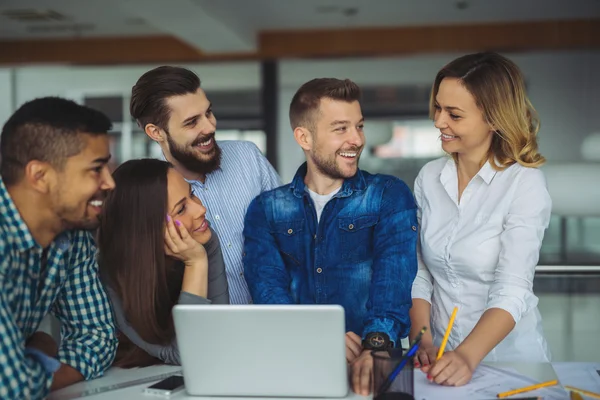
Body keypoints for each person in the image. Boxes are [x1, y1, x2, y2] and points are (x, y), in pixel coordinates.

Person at [243, 78, 418, 396]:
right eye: (341, 129)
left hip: (374, 369)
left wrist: (375, 345)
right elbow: (268, 291)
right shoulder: (265, 210)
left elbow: (392, 283)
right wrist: (318, 337)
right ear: (304, 137)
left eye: (359, 126)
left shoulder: (390, 195)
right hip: (297, 371)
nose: (356, 140)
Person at [410, 52, 552, 387]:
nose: (438, 121)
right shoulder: (429, 178)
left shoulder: (524, 183)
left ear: (493, 118)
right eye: (438, 108)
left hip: (511, 363)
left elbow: (513, 288)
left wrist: (467, 356)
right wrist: (423, 340)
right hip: (440, 361)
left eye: (454, 114)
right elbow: (419, 271)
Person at [130, 66, 281, 305]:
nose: (209, 127)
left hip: (280, 319)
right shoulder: (149, 195)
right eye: (192, 122)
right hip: (208, 333)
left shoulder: (247, 156)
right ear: (156, 132)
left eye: (208, 113)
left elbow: (291, 236)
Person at [0, 97, 118, 398]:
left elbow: (97, 337)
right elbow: (12, 390)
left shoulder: (71, 229)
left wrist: (34, 365)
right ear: (40, 176)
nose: (109, 182)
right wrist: (42, 353)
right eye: (96, 169)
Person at [97, 158, 229, 368]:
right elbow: (186, 353)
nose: (200, 210)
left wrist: (203, 255)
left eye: (192, 194)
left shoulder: (202, 240)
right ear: (147, 231)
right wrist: (196, 263)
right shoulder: (111, 277)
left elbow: (219, 337)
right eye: (181, 209)